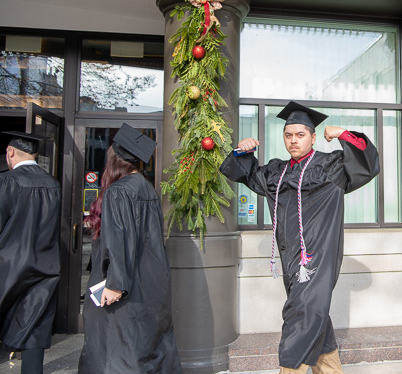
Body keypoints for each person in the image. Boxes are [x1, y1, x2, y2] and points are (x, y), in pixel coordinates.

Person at [220, 101, 379, 374]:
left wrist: (342, 134)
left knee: (301, 317)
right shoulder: (276, 172)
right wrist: (240, 151)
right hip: (291, 261)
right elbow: (244, 174)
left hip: (319, 258)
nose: (293, 140)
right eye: (288, 135)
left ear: (313, 137)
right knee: (315, 319)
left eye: (300, 135)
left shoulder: (331, 167)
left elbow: (368, 163)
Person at [78, 124, 182, 374]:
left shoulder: (118, 191)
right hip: (150, 285)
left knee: (119, 352)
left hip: (126, 289)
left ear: (113, 158)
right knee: (147, 348)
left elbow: (120, 240)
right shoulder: (145, 187)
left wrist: (115, 284)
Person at [0, 131, 61, 374]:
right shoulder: (53, 183)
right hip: (45, 267)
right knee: (35, 326)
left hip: (8, 266)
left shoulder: (8, 181)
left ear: (10, 152)